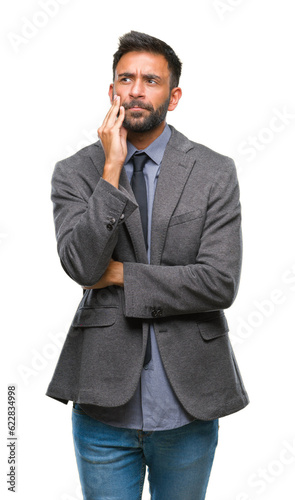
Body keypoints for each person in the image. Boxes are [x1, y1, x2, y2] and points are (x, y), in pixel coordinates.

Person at [46, 30, 249, 500]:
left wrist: (120, 275)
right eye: (126, 79)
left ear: (173, 96)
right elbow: (81, 265)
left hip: (188, 401)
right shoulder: (75, 171)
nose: (136, 90)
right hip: (103, 406)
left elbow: (219, 282)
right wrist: (111, 170)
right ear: (112, 91)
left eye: (151, 80)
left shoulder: (215, 172)